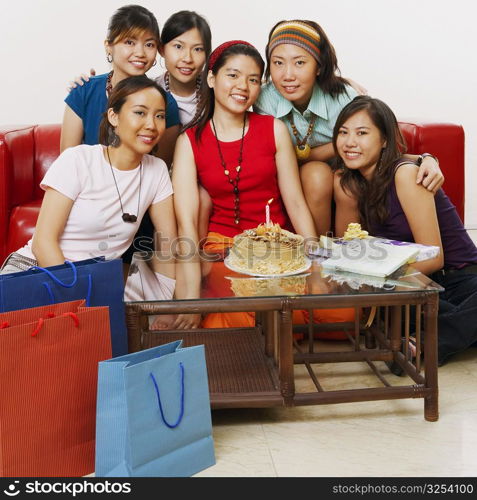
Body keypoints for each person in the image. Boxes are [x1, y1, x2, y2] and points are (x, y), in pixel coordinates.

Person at [172, 40, 332, 329]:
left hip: (278, 249)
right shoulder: (189, 141)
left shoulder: (273, 128)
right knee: (248, 310)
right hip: (224, 251)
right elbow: (185, 224)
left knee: (340, 313)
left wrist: (316, 268)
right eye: (232, 75)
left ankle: (267, 319)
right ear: (211, 78)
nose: (242, 86)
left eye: (253, 79)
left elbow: (295, 202)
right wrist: (191, 297)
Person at [254, 19, 443, 235]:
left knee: (330, 178)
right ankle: (315, 253)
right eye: (278, 63)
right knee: (316, 173)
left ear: (319, 66)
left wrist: (427, 158)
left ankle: (332, 253)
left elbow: (383, 143)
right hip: (288, 176)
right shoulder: (262, 98)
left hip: (343, 174)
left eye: (300, 63)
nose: (288, 75)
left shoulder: (343, 97)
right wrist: (329, 149)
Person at [332, 95, 477, 366]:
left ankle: (422, 343)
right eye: (343, 132)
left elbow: (434, 258)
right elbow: (347, 250)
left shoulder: (406, 174)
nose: (350, 142)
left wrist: (375, 276)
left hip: (459, 278)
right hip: (412, 285)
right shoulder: (346, 183)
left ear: (384, 139)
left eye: (362, 133)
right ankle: (457, 328)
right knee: (393, 307)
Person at [1, 76, 176, 295]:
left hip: (94, 283)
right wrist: (78, 300)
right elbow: (43, 242)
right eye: (140, 113)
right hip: (38, 270)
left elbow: (168, 242)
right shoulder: (78, 160)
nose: (151, 125)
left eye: (159, 116)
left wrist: (168, 300)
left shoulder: (156, 170)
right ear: (114, 116)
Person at [61, 4, 181, 167]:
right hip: (86, 189)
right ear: (108, 46)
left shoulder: (166, 103)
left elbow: (160, 168)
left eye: (149, 44)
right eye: (129, 42)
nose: (140, 52)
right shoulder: (83, 91)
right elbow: (67, 164)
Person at [155, 10, 212, 127]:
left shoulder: (216, 93)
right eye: (178, 46)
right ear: (162, 49)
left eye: (197, 49)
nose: (187, 58)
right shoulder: (149, 92)